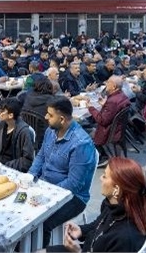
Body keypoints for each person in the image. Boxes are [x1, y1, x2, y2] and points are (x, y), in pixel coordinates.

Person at [29, 96, 97, 247]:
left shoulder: (81, 144)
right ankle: (24, 247)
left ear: (61, 119)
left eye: (50, 115)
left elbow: (73, 184)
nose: (46, 117)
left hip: (73, 197)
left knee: (41, 222)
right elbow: (41, 155)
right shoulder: (51, 130)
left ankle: (40, 249)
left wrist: (45, 193)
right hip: (45, 186)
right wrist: (30, 176)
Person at [49, 157, 146, 253]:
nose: (100, 178)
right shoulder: (113, 205)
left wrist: (78, 251)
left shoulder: (125, 238)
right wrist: (81, 231)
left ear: (116, 189)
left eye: (105, 176)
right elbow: (98, 224)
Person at [87, 76, 131, 164]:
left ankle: (102, 156)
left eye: (108, 83)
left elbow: (102, 120)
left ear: (114, 86)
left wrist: (91, 108)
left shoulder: (112, 101)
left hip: (109, 131)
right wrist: (105, 105)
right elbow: (114, 110)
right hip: (119, 128)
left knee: (85, 130)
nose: (106, 85)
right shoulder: (121, 95)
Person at [0, 98, 35, 172]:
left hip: (13, 167)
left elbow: (27, 161)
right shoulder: (1, 125)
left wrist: (6, 166)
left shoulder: (24, 132)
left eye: (2, 111)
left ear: (10, 115)